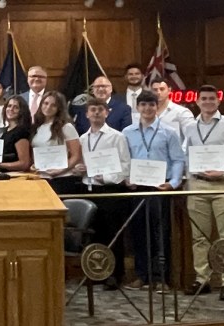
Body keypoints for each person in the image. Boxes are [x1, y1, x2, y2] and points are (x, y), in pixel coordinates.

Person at [182, 85, 224, 301]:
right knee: (199, 236)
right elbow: (185, 155)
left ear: (218, 101)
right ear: (197, 102)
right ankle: (203, 279)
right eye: (204, 98)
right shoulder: (190, 127)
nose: (208, 102)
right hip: (197, 186)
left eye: (212, 98)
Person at [121, 90, 186, 292]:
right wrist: (126, 178)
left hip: (161, 186)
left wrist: (174, 182)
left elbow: (178, 160)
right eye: (143, 105)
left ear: (157, 107)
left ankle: (161, 278)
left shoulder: (169, 132)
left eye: (151, 105)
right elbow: (124, 159)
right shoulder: (127, 132)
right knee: (139, 232)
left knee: (161, 232)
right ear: (137, 107)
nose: (147, 109)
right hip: (137, 186)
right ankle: (142, 275)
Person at [73, 98, 132, 290]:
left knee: (112, 233)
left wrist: (104, 177)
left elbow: (125, 166)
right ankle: (95, 273)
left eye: (100, 109)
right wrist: (79, 169)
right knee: (93, 234)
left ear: (107, 113)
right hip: (89, 189)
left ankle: (115, 275)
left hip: (109, 189)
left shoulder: (117, 137)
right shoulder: (82, 139)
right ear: (86, 114)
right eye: (92, 110)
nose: (96, 113)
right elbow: (78, 165)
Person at [31, 91, 83, 194]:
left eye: (53, 105)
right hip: (41, 177)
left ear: (59, 108)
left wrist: (61, 170)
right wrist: (34, 165)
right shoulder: (38, 126)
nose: (48, 107)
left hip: (62, 179)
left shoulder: (66, 127)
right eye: (45, 103)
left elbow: (76, 155)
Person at [0, 96, 33, 172]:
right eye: (9, 106)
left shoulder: (21, 132)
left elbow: (24, 163)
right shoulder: (6, 130)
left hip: (16, 177)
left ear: (22, 111)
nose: (11, 109)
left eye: (16, 107)